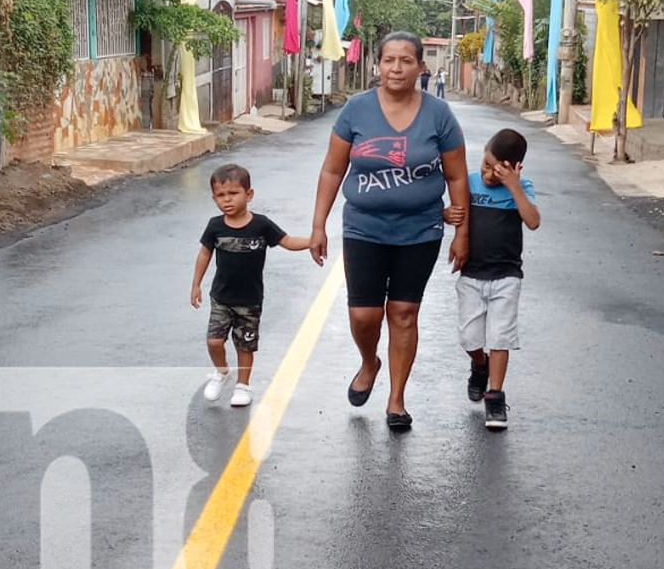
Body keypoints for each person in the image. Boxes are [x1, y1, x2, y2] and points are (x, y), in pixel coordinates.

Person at [309, 31, 471, 432]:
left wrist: (462, 232)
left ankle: (397, 400)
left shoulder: (439, 115)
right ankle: (369, 361)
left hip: (420, 230)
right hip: (364, 228)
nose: (397, 68)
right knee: (364, 314)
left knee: (403, 313)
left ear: (420, 66)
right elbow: (333, 169)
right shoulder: (355, 110)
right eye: (389, 60)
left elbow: (456, 175)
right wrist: (318, 225)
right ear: (377, 65)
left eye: (406, 60)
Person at [443, 128, 541, 431]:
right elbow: (454, 210)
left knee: (500, 336)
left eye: (496, 170)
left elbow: (533, 221)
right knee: (469, 337)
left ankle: (495, 395)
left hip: (506, 276)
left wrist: (514, 187)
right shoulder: (470, 183)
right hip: (472, 274)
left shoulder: (521, 188)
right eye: (485, 164)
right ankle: (479, 364)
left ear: (513, 168)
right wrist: (447, 215)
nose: (487, 173)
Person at [192, 163, 310, 407]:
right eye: (220, 196)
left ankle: (243, 385)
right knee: (214, 341)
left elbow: (287, 241)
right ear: (214, 198)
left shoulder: (261, 225)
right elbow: (204, 255)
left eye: (233, 193)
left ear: (249, 194)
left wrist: (313, 241)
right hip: (221, 299)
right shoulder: (215, 226)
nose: (227, 200)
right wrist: (196, 285)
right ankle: (222, 372)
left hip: (250, 301)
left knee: (245, 345)